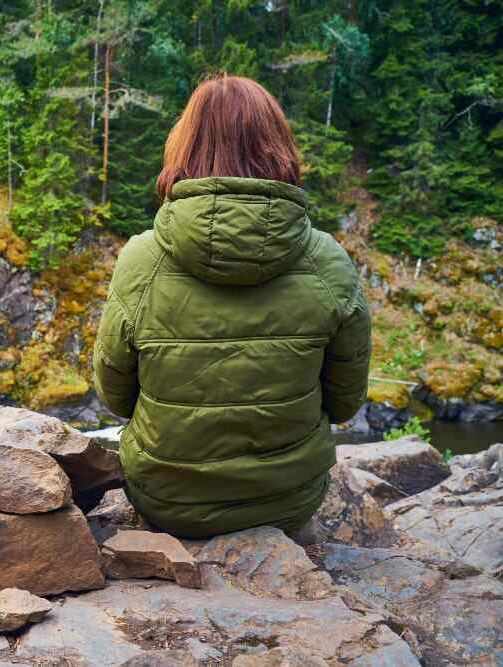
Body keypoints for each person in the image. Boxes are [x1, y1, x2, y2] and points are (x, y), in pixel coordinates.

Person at [93, 74, 371, 539]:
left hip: (168, 500)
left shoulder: (141, 260)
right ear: (279, 149)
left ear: (183, 149)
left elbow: (114, 395)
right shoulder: (328, 262)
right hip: (288, 502)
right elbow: (344, 403)